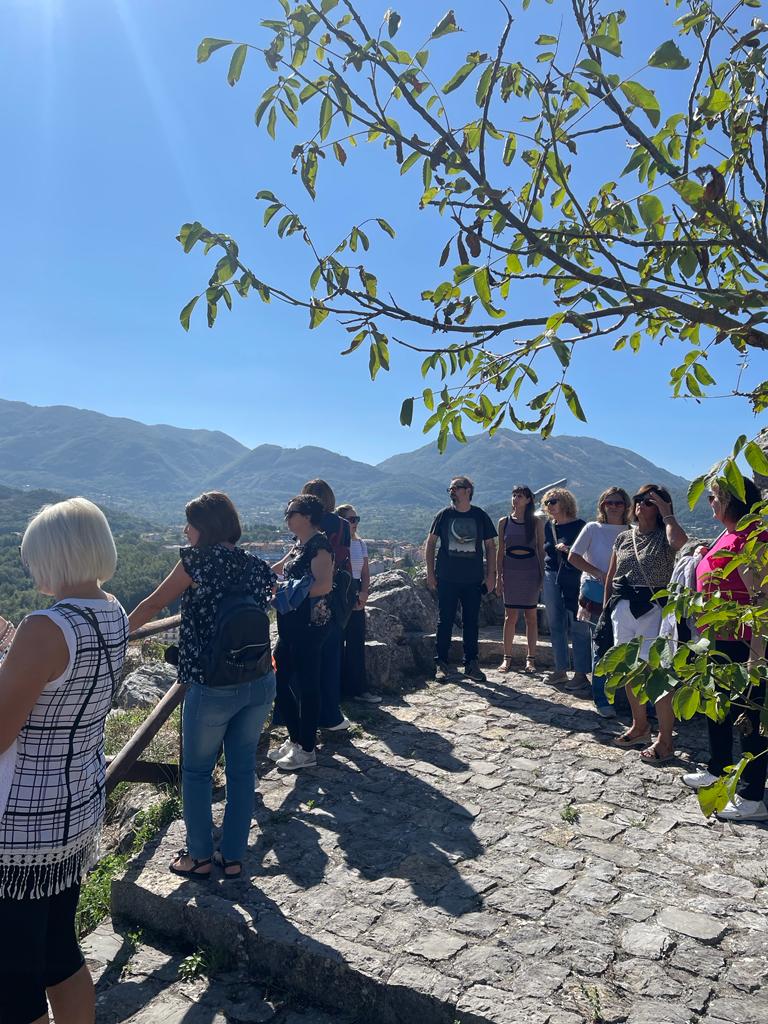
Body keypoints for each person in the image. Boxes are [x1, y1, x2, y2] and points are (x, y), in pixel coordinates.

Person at [0, 497, 129, 1024]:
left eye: (34, 558)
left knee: (11, 983)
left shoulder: (44, 628)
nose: (30, 568)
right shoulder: (112, 610)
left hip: (21, 830)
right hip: (74, 811)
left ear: (57, 556)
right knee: (59, 953)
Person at [128, 491, 275, 879]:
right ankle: (232, 857)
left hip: (212, 685)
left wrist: (117, 631)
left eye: (190, 524)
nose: (185, 530)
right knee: (242, 770)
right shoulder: (257, 567)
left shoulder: (197, 561)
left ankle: (198, 857)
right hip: (259, 679)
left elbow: (154, 604)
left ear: (204, 528)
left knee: (196, 772)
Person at [682, 478, 768, 821]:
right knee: (716, 709)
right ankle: (718, 769)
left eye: (715, 497)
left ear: (732, 499)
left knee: (749, 719)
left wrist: (757, 657)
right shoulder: (727, 534)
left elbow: (762, 600)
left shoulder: (754, 538)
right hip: (718, 642)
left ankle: (752, 796)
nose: (710, 503)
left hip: (744, 645)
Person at [603, 483, 688, 750]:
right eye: (639, 499)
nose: (641, 503)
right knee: (630, 669)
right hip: (623, 606)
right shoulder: (623, 538)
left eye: (650, 501)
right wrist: (607, 609)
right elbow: (612, 575)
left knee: (657, 672)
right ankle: (640, 726)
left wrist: (667, 514)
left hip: (654, 609)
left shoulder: (666, 536)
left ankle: (665, 738)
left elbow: (681, 544)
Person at [269, 495, 335, 770]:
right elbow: (276, 571)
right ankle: (296, 738)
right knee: (279, 680)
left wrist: (287, 590)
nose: (286, 517)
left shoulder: (319, 546)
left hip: (310, 626)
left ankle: (306, 748)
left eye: (291, 512)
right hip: (291, 625)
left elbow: (324, 586)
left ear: (307, 516)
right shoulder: (299, 545)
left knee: (308, 686)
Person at [425, 476, 496, 683]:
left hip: (473, 579)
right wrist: (430, 573)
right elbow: (430, 544)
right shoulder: (444, 515)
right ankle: (441, 663)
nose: (452, 491)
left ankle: (471, 664)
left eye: (456, 487)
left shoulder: (480, 515)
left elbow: (490, 547)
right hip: (447, 578)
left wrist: (491, 575)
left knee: (471, 622)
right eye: (450, 488)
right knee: (444, 621)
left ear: (468, 491)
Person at [568, 487, 630, 716]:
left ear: (626, 506)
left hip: (624, 594)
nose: (613, 506)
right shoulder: (593, 528)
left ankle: (622, 697)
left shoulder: (632, 531)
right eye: (609, 503)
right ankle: (601, 698)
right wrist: (599, 573)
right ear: (602, 505)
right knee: (601, 646)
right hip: (595, 592)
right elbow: (573, 556)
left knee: (623, 647)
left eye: (618, 503)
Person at [301, 479, 351, 732]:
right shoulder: (343, 525)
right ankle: (331, 715)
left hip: (310, 597)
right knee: (331, 658)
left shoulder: (308, 525)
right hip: (336, 599)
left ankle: (302, 715)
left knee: (306, 660)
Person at [541, 487, 591, 689]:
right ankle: (560, 669)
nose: (549, 506)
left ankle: (581, 674)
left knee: (579, 625)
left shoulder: (581, 526)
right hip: (551, 575)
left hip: (574, 578)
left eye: (553, 501)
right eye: (547, 503)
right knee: (555, 624)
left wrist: (569, 550)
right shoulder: (549, 526)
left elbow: (587, 553)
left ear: (565, 502)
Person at [495, 485, 545, 673]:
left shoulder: (536, 522)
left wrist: (542, 577)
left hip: (530, 571)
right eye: (514, 495)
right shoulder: (504, 522)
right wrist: (498, 577)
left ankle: (530, 659)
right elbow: (500, 551)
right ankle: (506, 658)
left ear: (529, 500)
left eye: (520, 496)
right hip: (511, 571)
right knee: (510, 617)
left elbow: (541, 550)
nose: (516, 499)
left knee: (531, 616)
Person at [336, 504, 380, 704]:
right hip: (339, 590)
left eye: (356, 519)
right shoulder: (335, 544)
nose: (354, 523)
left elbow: (364, 571)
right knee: (336, 643)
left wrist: (363, 593)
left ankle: (359, 689)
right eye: (350, 520)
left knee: (356, 642)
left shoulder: (360, 544)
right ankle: (336, 690)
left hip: (355, 589)